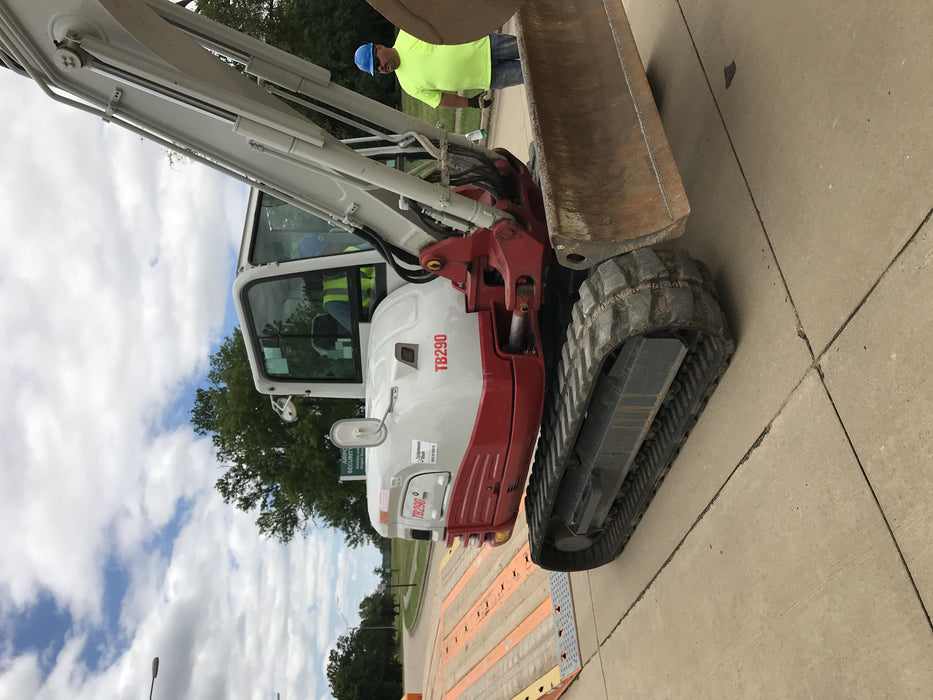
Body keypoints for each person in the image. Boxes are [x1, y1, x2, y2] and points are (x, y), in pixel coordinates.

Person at [354, 32, 522, 110]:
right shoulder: (408, 85)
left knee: (532, 47)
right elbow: (439, 99)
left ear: (379, 47)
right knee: (532, 74)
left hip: (486, 46)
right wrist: (470, 102)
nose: (380, 67)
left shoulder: (408, 33)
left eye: (377, 62)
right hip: (490, 76)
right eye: (376, 70)